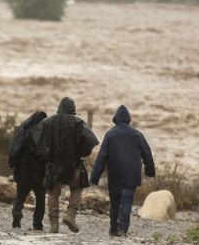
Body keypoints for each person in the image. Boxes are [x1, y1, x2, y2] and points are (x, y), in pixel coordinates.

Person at [34, 97, 98, 233]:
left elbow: (37, 142)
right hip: (73, 163)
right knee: (77, 189)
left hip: (53, 164)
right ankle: (70, 215)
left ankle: (54, 224)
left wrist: (46, 156)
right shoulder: (79, 122)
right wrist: (81, 153)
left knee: (53, 193)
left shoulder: (47, 122)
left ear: (59, 107)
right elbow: (90, 141)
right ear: (72, 108)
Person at [90, 105, 155, 237]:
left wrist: (94, 177)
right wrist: (150, 171)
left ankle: (113, 229)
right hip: (132, 175)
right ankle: (123, 228)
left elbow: (102, 156)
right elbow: (147, 154)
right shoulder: (137, 134)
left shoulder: (110, 134)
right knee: (127, 202)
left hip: (115, 174)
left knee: (115, 203)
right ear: (128, 119)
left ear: (115, 119)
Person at [9, 110, 48, 230]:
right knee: (40, 199)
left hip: (24, 171)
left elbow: (15, 150)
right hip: (39, 173)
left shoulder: (23, 131)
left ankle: (16, 214)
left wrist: (14, 165)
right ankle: (37, 224)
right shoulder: (45, 134)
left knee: (20, 197)